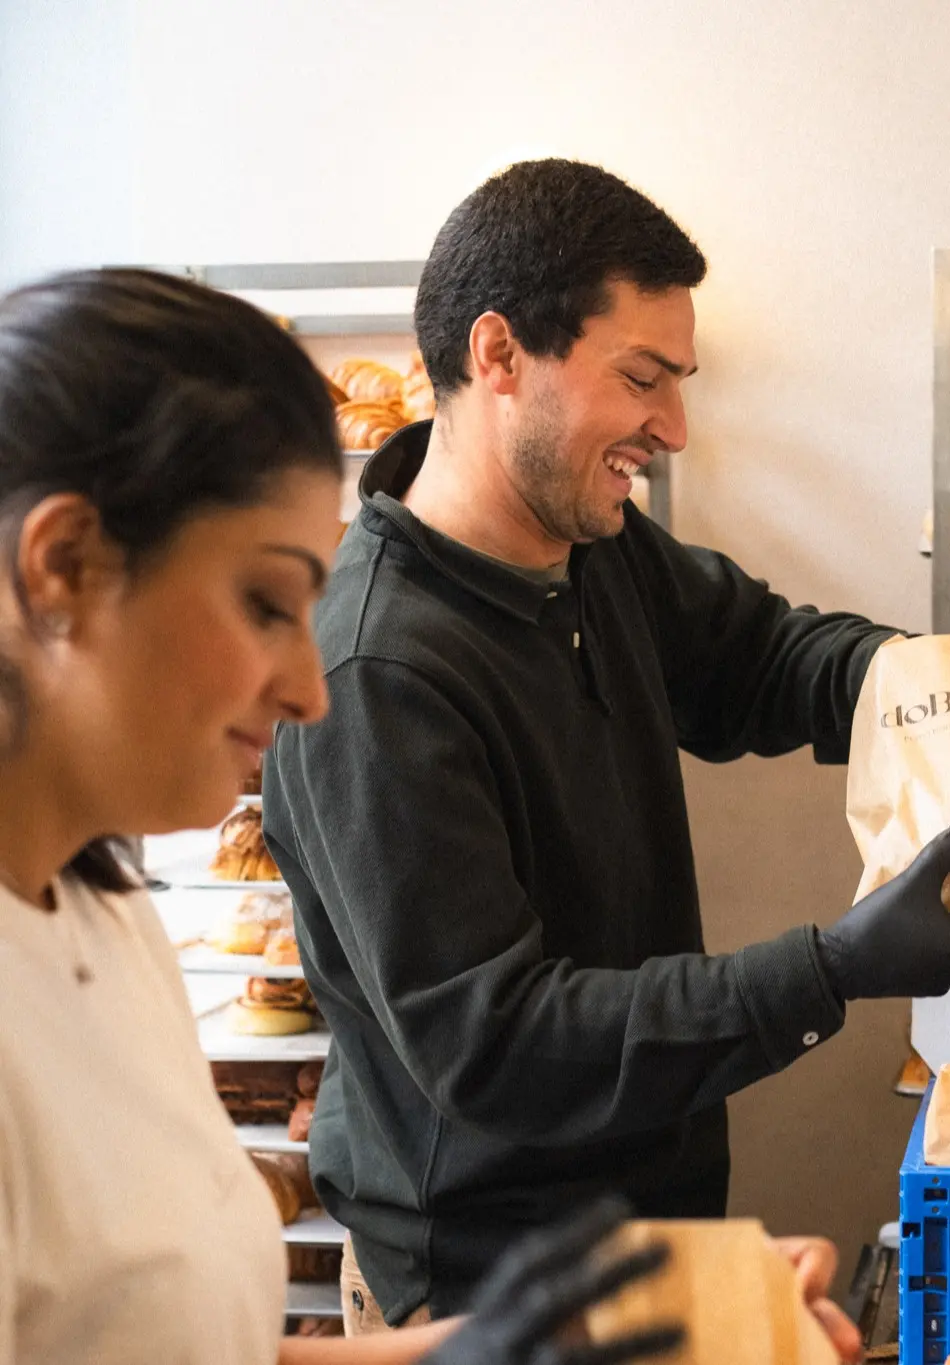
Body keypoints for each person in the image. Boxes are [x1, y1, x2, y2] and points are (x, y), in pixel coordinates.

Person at [263, 157, 950, 1332]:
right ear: (498, 355)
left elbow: (758, 658)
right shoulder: (377, 678)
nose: (671, 429)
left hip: (643, 1232)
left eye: (679, 384)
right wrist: (835, 967)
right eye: (642, 379)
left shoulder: (590, 546)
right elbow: (501, 1046)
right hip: (481, 1293)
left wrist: (928, 686)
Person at [0, 266, 693, 1365]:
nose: (308, 689)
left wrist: (485, 1349)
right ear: (65, 566)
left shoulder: (102, 918)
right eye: (265, 602)